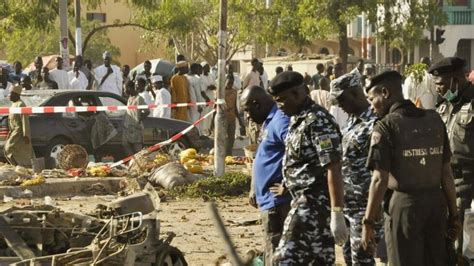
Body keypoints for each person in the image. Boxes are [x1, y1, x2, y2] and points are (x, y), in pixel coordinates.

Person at [361, 70, 460, 266]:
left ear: (386, 93)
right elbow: (446, 173)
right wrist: (454, 215)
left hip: (405, 208)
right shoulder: (435, 120)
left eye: (373, 99)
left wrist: (368, 223)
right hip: (436, 205)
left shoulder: (385, 127)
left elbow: (379, 179)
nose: (371, 106)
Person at [267, 71, 348, 264]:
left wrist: (337, 212)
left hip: (313, 205)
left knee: (283, 259)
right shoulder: (298, 117)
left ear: (297, 93)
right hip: (303, 201)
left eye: (282, 100)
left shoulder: (318, 121)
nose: (279, 107)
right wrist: (288, 183)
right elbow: (303, 161)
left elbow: (333, 167)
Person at [329, 73, 382, 265]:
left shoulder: (375, 123)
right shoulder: (351, 122)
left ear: (354, 93)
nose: (339, 105)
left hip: (365, 208)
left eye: (341, 99)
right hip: (349, 207)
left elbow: (381, 171)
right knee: (350, 259)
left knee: (363, 260)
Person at [429, 57, 474, 263]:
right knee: (450, 251)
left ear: (456, 79)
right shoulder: (444, 107)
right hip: (448, 192)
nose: (438, 89)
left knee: (468, 253)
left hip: (470, 192)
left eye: (442, 84)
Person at [241, 85, 291, 266]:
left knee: (276, 253)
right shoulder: (269, 122)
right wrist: (254, 186)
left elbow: (298, 152)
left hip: (277, 203)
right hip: (267, 201)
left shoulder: (281, 121)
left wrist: (288, 183)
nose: (247, 116)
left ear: (257, 104)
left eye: (247, 110)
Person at [4, 85, 34, 167]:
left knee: (9, 148)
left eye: (11, 94)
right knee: (9, 150)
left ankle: (22, 166)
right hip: (14, 132)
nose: (9, 96)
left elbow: (25, 120)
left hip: (19, 132)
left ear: (16, 94)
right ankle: (17, 167)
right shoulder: (13, 104)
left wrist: (26, 135)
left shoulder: (21, 104)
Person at [122, 80, 150, 156]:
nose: (124, 91)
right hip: (127, 128)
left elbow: (147, 111)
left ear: (129, 88)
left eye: (125, 89)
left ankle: (140, 165)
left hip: (135, 128)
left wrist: (138, 119)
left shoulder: (139, 99)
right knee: (125, 145)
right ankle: (133, 163)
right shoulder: (130, 98)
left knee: (137, 150)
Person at [224, 74, 244, 156]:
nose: (230, 85)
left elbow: (235, 106)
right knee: (224, 138)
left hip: (232, 117)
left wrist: (240, 120)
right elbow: (216, 107)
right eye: (228, 83)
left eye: (231, 83)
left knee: (231, 138)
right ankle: (224, 155)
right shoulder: (221, 92)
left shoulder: (234, 92)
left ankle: (229, 154)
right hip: (223, 118)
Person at [200, 62, 216, 135]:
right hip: (205, 99)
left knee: (210, 114)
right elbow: (202, 89)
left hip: (211, 97)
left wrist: (212, 87)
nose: (209, 68)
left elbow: (215, 85)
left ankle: (208, 129)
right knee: (204, 114)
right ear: (203, 68)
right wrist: (208, 87)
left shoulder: (211, 76)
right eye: (207, 67)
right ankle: (203, 131)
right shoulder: (201, 77)